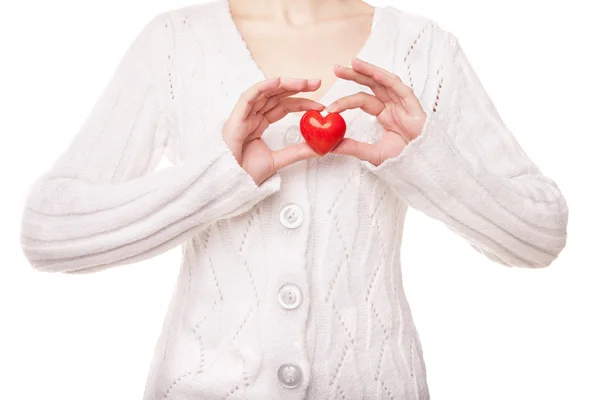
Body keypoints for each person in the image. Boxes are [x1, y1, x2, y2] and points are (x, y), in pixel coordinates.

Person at [18, 0, 569, 398]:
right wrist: (216, 179)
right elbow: (49, 231)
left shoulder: (423, 49)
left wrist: (425, 161)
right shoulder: (175, 41)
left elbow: (540, 232)